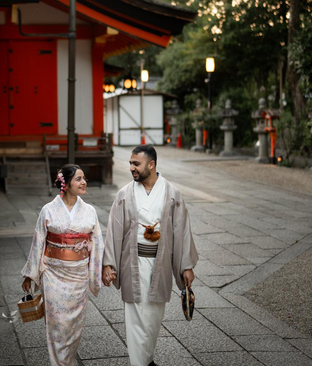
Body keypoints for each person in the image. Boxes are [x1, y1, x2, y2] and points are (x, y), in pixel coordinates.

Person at [102, 145, 199, 366]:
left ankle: (147, 359)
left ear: (151, 165)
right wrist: (109, 264)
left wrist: (186, 266)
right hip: (132, 263)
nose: (131, 168)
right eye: (130, 164)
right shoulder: (124, 195)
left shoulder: (172, 194)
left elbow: (182, 231)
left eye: (136, 164)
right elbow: (114, 230)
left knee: (154, 319)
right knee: (136, 320)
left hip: (161, 263)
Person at [21, 164, 104, 366]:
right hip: (53, 273)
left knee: (75, 326)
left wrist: (102, 270)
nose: (84, 182)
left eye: (84, 178)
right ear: (65, 184)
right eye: (78, 179)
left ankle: (67, 360)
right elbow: (38, 241)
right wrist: (30, 274)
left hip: (79, 276)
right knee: (56, 324)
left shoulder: (90, 211)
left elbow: (97, 243)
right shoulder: (48, 210)